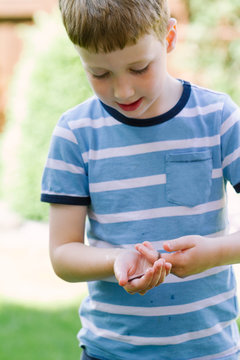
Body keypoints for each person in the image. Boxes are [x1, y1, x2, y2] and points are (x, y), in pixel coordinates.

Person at [41, 0, 240, 359]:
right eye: (100, 74)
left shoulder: (218, 117)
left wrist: (214, 253)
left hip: (209, 351)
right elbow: (62, 253)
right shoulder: (75, 133)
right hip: (111, 351)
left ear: (169, 37)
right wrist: (116, 259)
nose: (123, 92)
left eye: (139, 67)